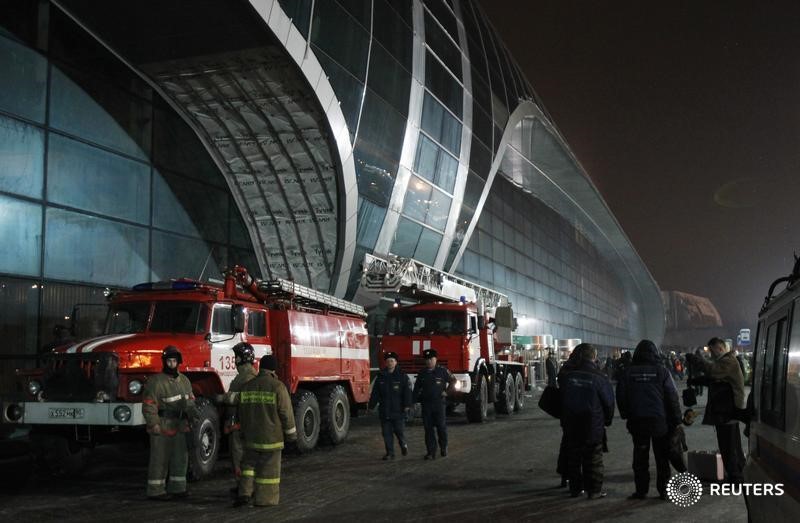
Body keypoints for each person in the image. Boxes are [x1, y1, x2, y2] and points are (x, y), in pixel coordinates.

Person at [616, 339, 682, 500]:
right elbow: (672, 397)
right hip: (660, 421)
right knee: (662, 457)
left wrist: (626, 414)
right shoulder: (662, 372)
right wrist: (677, 419)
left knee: (640, 457)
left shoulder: (628, 372)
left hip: (638, 421)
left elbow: (621, 396)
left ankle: (641, 490)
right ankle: (664, 491)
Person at [235, 354, 297, 507]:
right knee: (269, 471)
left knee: (248, 466)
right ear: (273, 370)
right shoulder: (278, 387)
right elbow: (286, 413)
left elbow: (241, 413)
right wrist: (291, 436)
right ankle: (265, 499)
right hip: (271, 439)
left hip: (250, 438)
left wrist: (244, 432)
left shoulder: (247, 386)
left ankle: (244, 494)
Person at [142, 345, 198, 500]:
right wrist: (153, 424)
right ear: (164, 362)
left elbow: (191, 401)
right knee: (159, 459)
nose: (171, 364)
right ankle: (156, 490)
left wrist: (193, 415)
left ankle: (178, 488)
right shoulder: (156, 382)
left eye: (174, 361)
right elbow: (149, 404)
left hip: (180, 426)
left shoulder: (184, 380)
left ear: (178, 362)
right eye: (169, 361)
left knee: (180, 458)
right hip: (163, 425)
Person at [559, 343, 614, 499]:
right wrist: (607, 421)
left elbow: (561, 398)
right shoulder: (600, 377)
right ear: (594, 357)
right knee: (593, 459)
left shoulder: (568, 376)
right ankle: (594, 491)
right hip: (592, 424)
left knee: (574, 458)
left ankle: (575, 489)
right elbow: (608, 403)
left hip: (571, 424)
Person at [687, 337, 746, 483]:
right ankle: (739, 473)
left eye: (712, 351)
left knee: (729, 446)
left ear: (720, 348)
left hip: (727, 410)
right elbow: (713, 379)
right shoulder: (725, 361)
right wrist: (696, 381)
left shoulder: (728, 361)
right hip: (725, 409)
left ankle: (736, 478)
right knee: (732, 445)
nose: (711, 356)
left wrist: (694, 359)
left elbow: (712, 372)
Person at [223, 343, 259, 495]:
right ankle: (246, 487)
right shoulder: (252, 375)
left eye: (236, 357)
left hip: (239, 425)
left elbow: (240, 400)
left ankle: (244, 489)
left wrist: (223, 398)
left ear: (241, 359)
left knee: (239, 458)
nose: (235, 359)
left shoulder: (243, 378)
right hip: (246, 424)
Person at [368, 351, 412, 460]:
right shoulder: (381, 377)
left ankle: (403, 445)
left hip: (398, 410)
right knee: (386, 433)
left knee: (399, 431)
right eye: (388, 361)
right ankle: (390, 453)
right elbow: (375, 393)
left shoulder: (402, 376)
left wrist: (407, 405)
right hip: (385, 410)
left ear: (396, 362)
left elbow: (407, 392)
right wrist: (371, 406)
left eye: (392, 361)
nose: (390, 363)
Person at [413, 349, 455, 460]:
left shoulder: (442, 371)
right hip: (426, 405)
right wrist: (412, 402)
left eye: (431, 359)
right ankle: (431, 451)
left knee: (441, 427)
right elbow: (416, 389)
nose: (429, 361)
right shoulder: (422, 373)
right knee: (428, 429)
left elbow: (454, 381)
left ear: (436, 359)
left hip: (439, 404)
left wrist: (447, 392)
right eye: (427, 359)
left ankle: (443, 446)